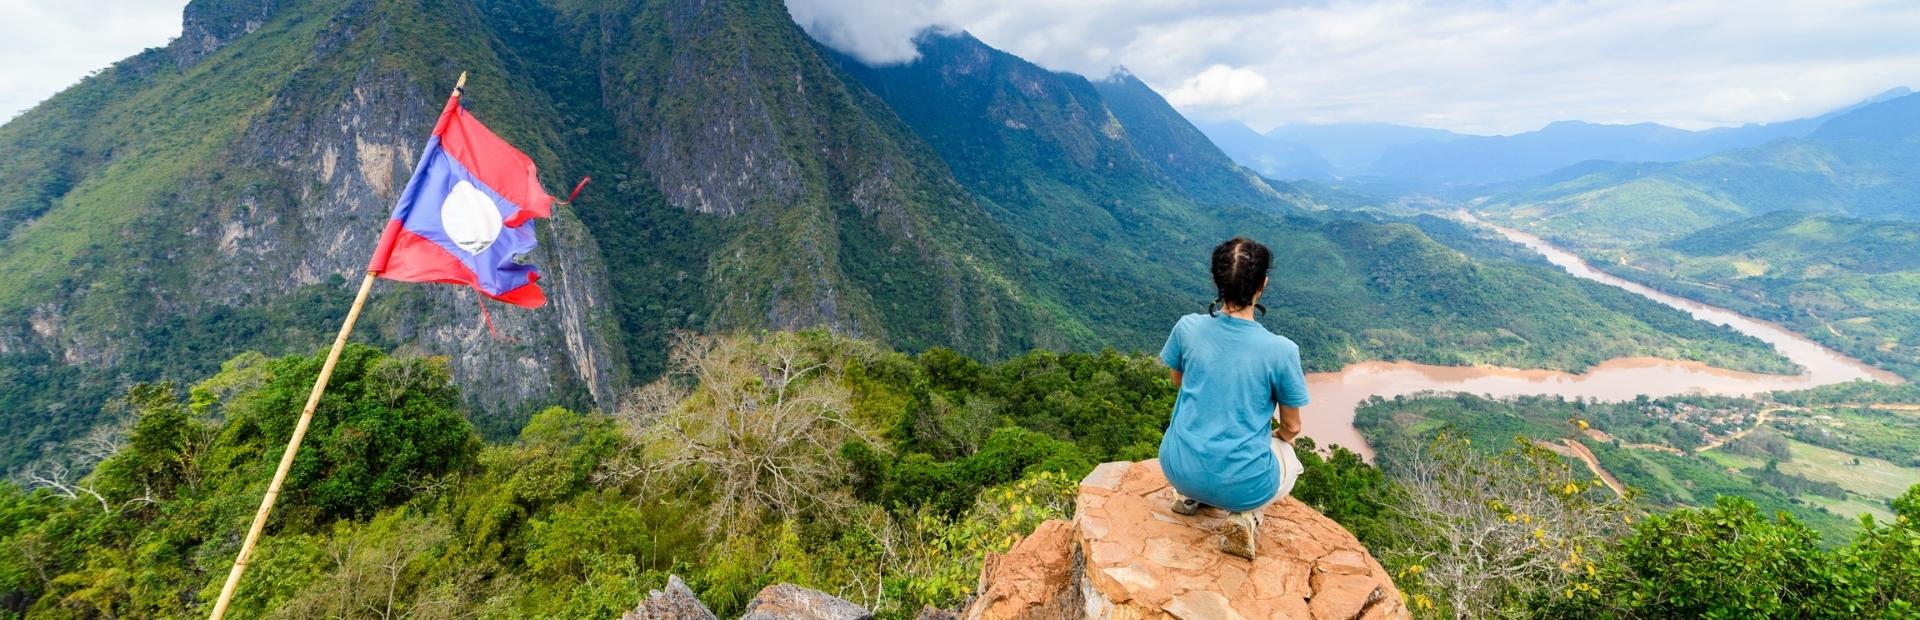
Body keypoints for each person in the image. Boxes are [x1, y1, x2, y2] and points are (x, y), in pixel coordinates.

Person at [1158, 237, 1310, 560]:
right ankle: (1246, 516)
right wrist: (1278, 438)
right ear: (1263, 285)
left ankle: (1189, 496)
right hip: (1243, 486)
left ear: (1216, 280)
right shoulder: (1282, 351)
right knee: (1289, 454)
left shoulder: (1187, 328)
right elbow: (1292, 427)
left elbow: (1178, 381)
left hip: (1176, 467)